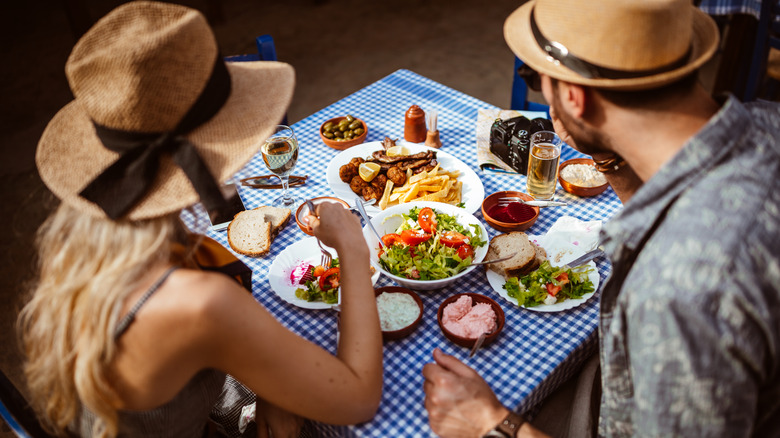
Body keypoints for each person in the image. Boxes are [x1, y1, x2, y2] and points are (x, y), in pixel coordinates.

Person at [17, 2, 383, 437]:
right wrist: (353, 247)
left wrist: (272, 389)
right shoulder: (202, 303)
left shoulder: (82, 238)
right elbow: (358, 398)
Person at [423, 0, 780, 436]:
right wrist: (608, 153)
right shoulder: (767, 119)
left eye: (534, 79)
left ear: (575, 97)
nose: (539, 93)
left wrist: (492, 424)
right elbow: (665, 204)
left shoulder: (679, 288)